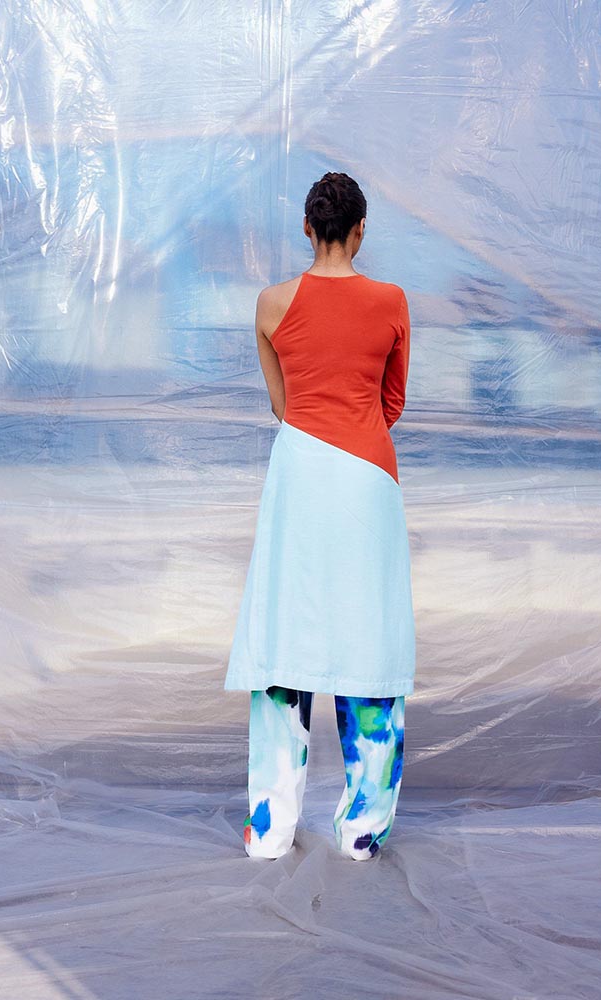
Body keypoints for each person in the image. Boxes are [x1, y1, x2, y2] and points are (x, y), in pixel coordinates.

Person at [224, 171, 414, 862]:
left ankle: (271, 829)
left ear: (308, 227)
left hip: (300, 475)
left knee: (285, 635)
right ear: (360, 230)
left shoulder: (271, 303)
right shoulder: (391, 301)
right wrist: (354, 423)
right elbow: (392, 402)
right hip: (368, 477)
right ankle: (362, 831)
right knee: (370, 636)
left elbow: (283, 405)